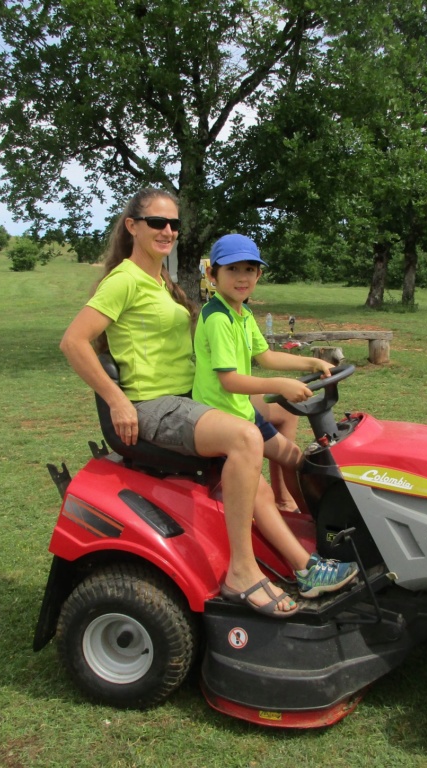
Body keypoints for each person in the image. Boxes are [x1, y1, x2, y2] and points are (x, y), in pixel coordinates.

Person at [59, 189, 356, 618]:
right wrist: (117, 400)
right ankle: (241, 572)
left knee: (263, 441)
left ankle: (304, 563)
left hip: (185, 401)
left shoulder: (162, 281)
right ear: (132, 226)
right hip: (152, 406)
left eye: (174, 224)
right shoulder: (124, 279)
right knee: (244, 437)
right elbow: (73, 341)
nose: (167, 231)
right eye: (157, 222)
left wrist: (305, 364)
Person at [192, 233, 358, 595]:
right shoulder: (217, 316)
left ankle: (317, 535)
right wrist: (281, 385)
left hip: (243, 415)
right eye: (232, 269)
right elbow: (230, 379)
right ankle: (305, 571)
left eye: (249, 269)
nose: (242, 277)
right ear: (213, 274)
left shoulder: (242, 312)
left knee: (297, 458)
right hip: (221, 420)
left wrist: (310, 360)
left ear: (258, 275)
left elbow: (265, 356)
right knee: (261, 493)